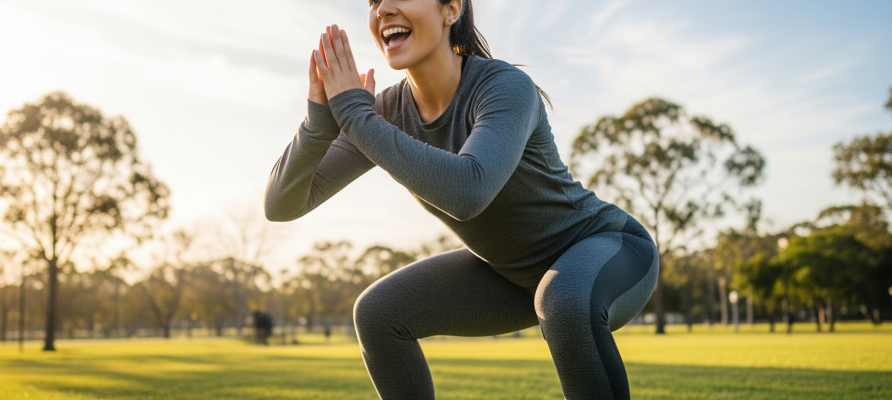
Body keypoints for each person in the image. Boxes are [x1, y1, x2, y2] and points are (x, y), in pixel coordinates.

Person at [264, 0, 658, 398]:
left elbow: (468, 192)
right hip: (513, 275)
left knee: (564, 302)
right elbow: (282, 204)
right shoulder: (380, 113)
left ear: (451, 9)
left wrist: (355, 115)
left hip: (609, 249)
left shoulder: (502, 86)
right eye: (373, 1)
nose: (383, 8)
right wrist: (318, 125)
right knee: (379, 313)